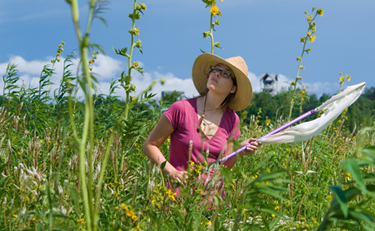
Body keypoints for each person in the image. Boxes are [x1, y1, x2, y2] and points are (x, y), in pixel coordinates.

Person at [143, 53, 258, 190]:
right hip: (178, 199)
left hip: (212, 202)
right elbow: (149, 145)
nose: (217, 74)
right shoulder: (181, 108)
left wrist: (239, 150)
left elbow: (223, 167)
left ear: (233, 88)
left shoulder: (232, 120)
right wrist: (172, 171)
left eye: (225, 73)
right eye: (215, 69)